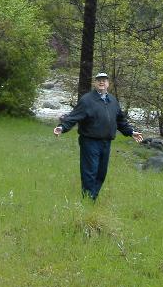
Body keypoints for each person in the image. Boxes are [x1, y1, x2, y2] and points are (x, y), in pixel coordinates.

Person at [53, 72, 143, 200]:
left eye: (104, 80)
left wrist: (131, 132)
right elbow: (74, 116)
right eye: (99, 80)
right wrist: (62, 127)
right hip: (89, 141)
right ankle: (88, 198)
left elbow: (120, 121)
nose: (101, 82)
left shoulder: (113, 101)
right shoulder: (87, 100)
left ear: (108, 84)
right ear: (95, 83)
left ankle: (92, 197)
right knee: (90, 171)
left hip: (106, 142)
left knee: (101, 173)